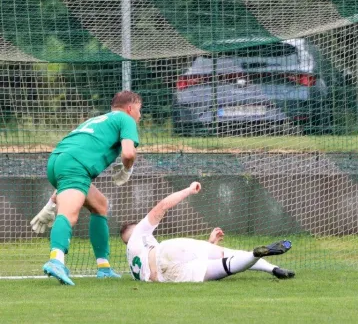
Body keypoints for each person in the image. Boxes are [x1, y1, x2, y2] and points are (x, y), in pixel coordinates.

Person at [30, 91, 142, 285]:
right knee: (69, 215)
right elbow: (128, 153)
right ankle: (56, 261)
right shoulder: (126, 119)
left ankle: (104, 267)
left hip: (59, 160)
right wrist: (127, 169)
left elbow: (69, 168)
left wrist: (50, 203)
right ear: (130, 108)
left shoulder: (99, 119)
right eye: (140, 111)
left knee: (100, 205)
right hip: (74, 166)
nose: (140, 116)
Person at [120, 182, 294, 283]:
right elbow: (162, 207)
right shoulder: (140, 233)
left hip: (162, 276)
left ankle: (265, 262)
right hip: (166, 250)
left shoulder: (132, 262)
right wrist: (188, 190)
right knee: (228, 254)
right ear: (135, 229)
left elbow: (177, 262)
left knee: (223, 268)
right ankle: (268, 265)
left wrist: (209, 244)